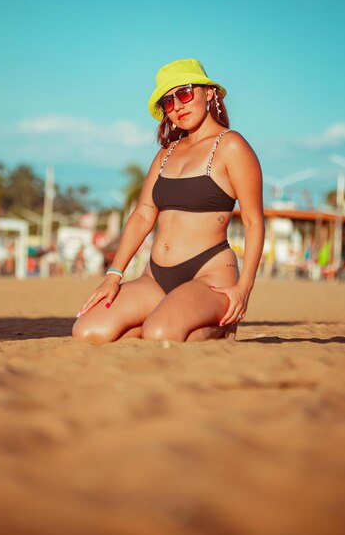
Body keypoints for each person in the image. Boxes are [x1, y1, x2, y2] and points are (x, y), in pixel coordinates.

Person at [73, 58, 264, 343]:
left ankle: (219, 325)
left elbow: (253, 221)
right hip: (155, 277)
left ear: (209, 92)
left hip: (209, 275)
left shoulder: (231, 146)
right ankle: (176, 318)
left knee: (160, 334)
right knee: (88, 331)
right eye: (168, 102)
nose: (178, 106)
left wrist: (244, 288)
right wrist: (114, 274)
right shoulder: (166, 153)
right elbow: (143, 214)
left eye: (184, 94)